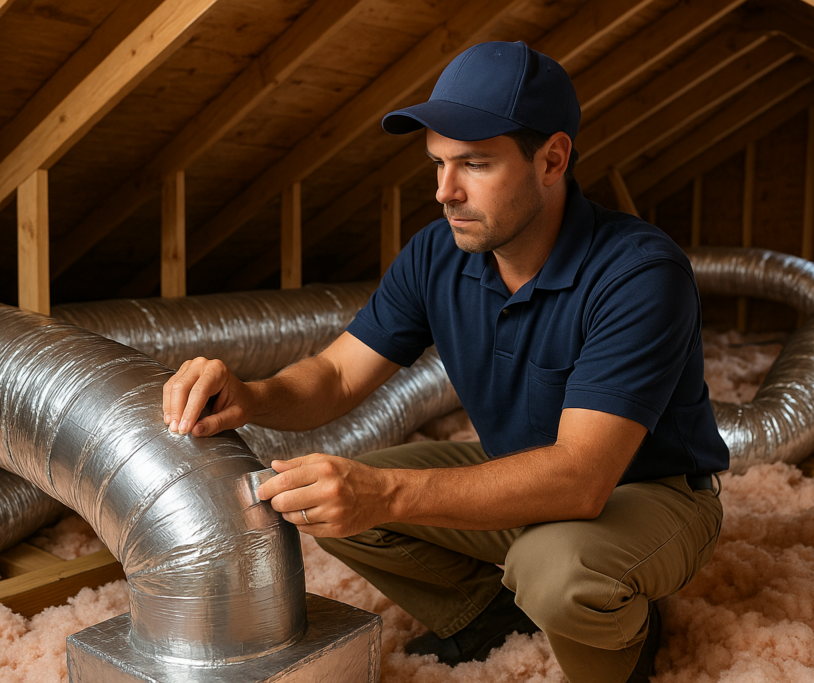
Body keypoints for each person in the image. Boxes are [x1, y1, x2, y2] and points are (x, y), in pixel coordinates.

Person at [162, 41, 728, 683]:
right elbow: (339, 374)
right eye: (437, 163)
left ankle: (624, 637)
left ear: (552, 158)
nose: (444, 191)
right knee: (321, 497)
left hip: (647, 492)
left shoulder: (638, 272)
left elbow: (580, 479)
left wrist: (388, 495)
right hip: (515, 472)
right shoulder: (439, 253)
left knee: (557, 574)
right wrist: (254, 393)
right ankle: (487, 617)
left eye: (474, 164)